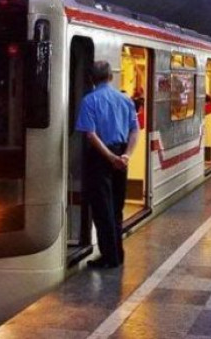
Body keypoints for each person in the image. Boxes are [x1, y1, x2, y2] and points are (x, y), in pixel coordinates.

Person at [75, 61, 139, 269]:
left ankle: (109, 257)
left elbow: (91, 135)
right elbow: (134, 131)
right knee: (117, 208)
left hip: (101, 157)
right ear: (111, 77)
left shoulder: (89, 100)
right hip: (121, 154)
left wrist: (110, 158)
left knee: (102, 209)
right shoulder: (125, 100)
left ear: (91, 79)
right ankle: (118, 254)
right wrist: (126, 156)